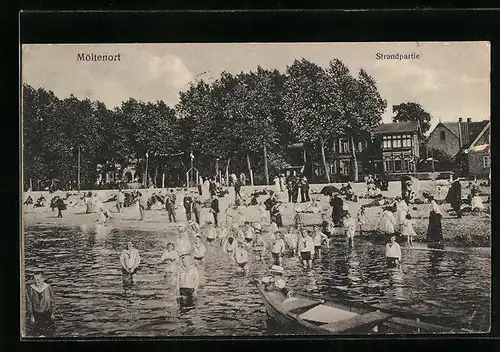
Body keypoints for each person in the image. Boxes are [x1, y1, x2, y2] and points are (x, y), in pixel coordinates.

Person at [26, 272, 56, 336]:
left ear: (42, 279)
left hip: (46, 313)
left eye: (38, 279)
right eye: (35, 279)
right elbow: (29, 303)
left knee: (49, 332)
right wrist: (31, 316)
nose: (36, 281)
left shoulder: (48, 287)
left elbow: (52, 300)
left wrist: (53, 313)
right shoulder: (31, 288)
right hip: (36, 314)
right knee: (37, 332)